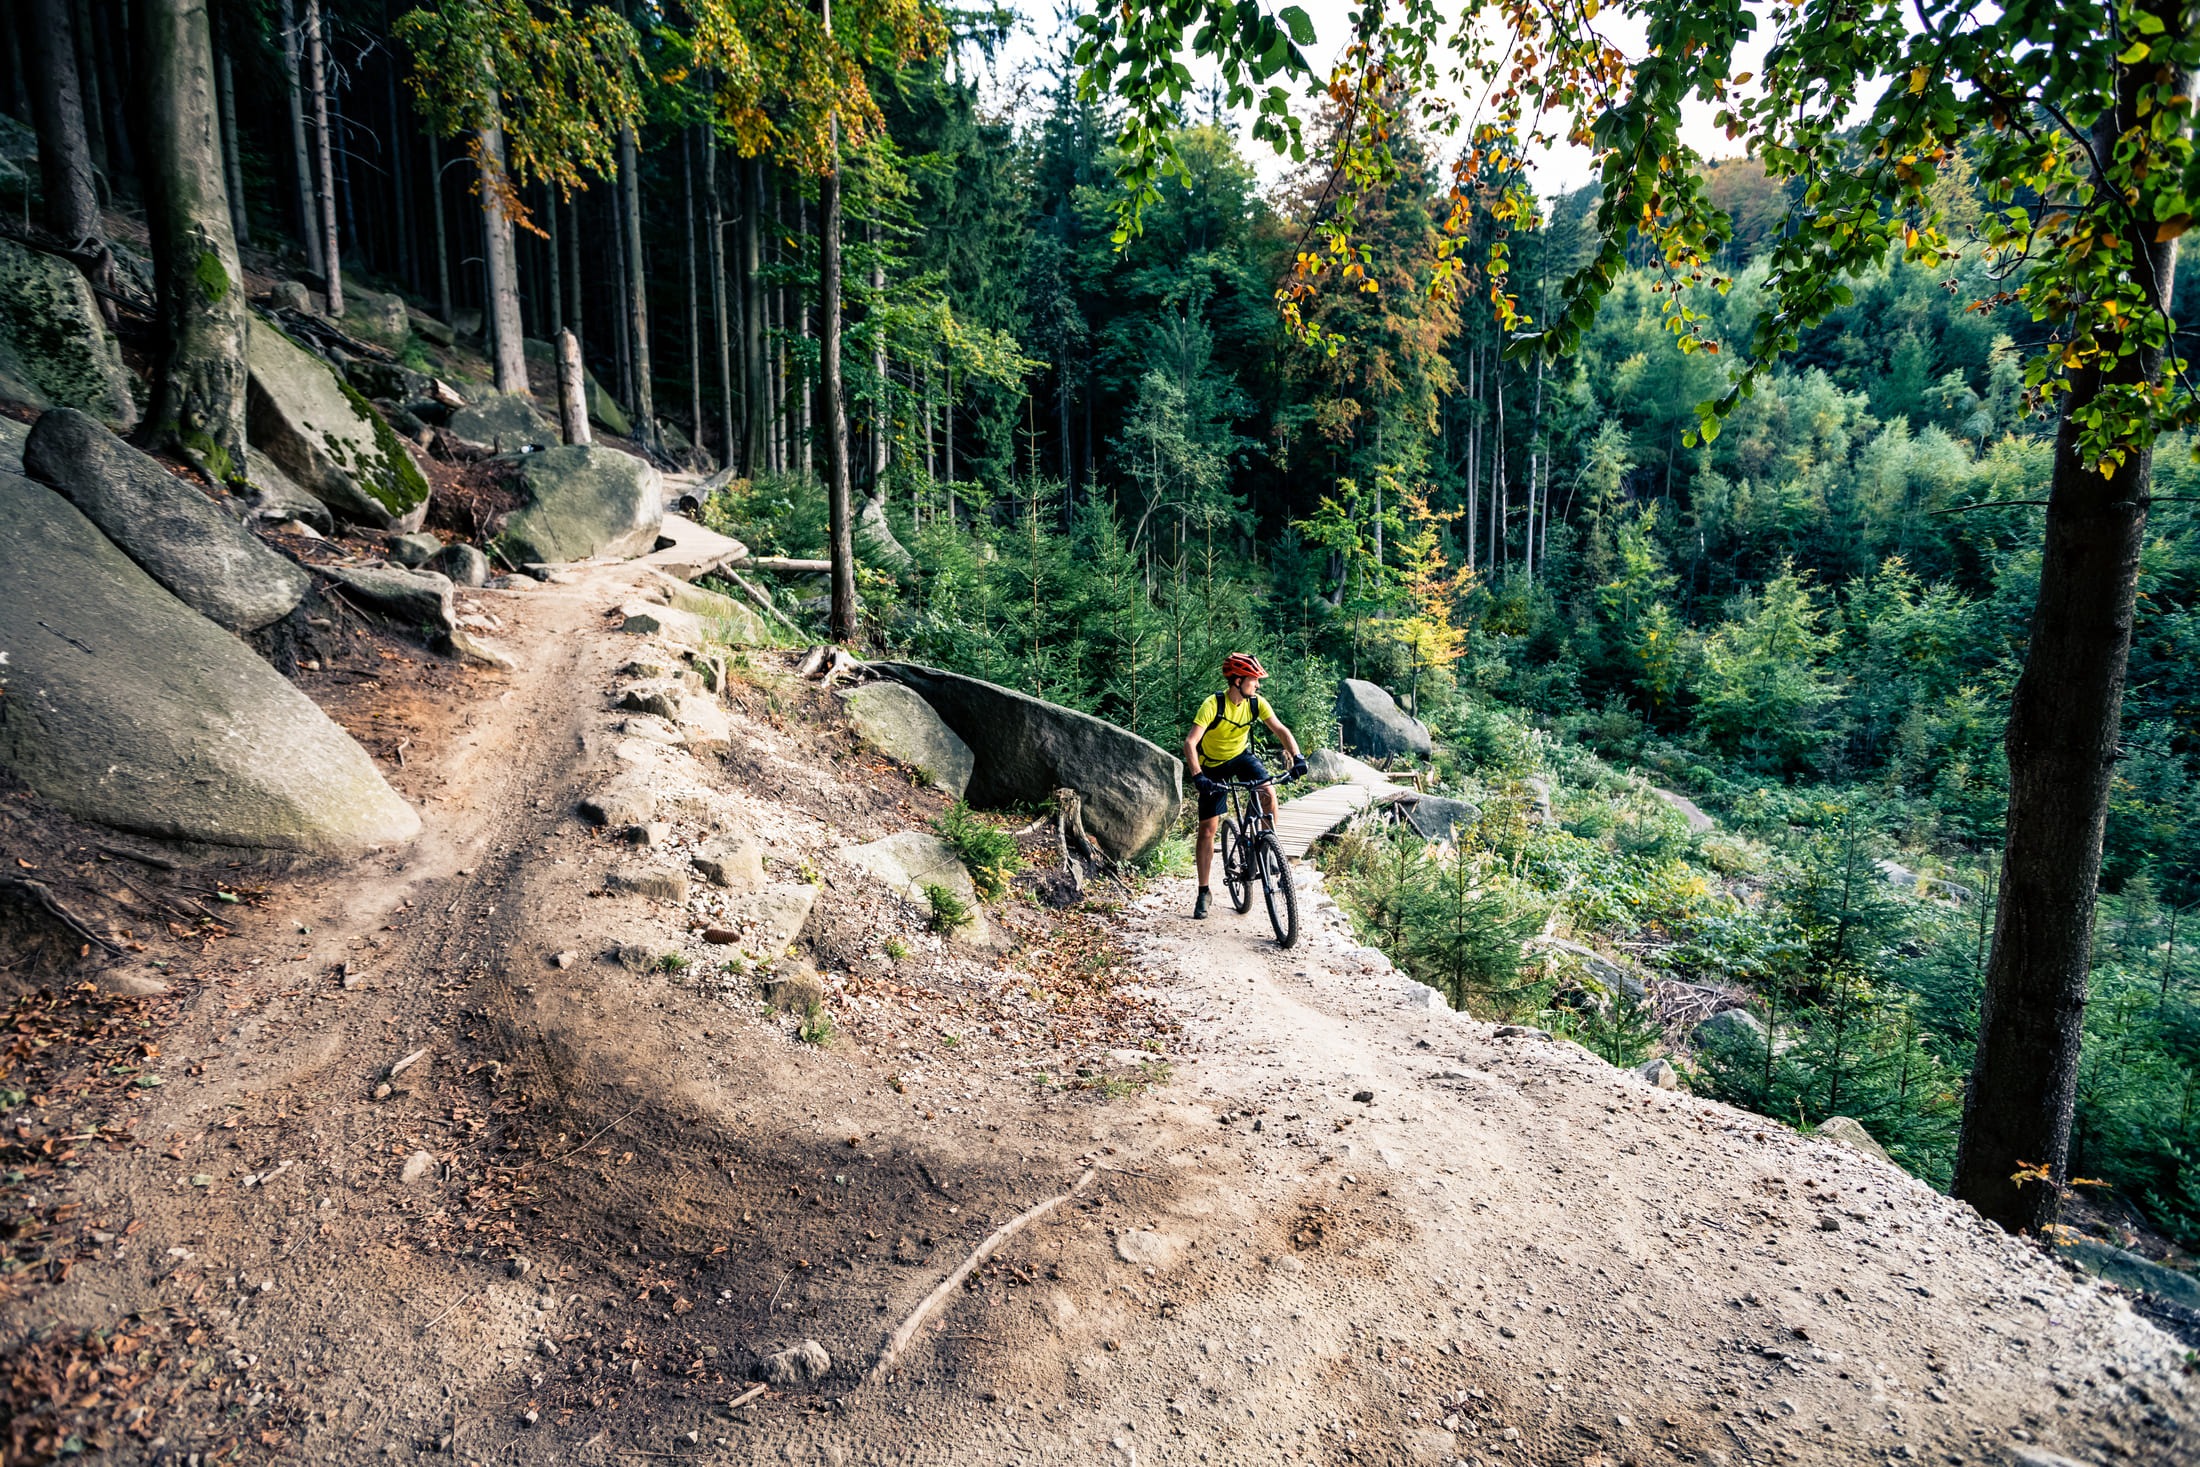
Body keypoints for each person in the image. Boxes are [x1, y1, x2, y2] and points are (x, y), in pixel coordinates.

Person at [1184, 652, 1305, 919]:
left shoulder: (1255, 703)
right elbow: (1191, 743)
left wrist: (1297, 757)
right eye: (1254, 680)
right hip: (1212, 766)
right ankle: (1204, 891)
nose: (1258, 685)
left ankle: (1266, 845)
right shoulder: (1212, 705)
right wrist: (1198, 776)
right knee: (1207, 830)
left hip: (1240, 758)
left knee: (1268, 793)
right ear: (1238, 681)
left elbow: (1281, 730)